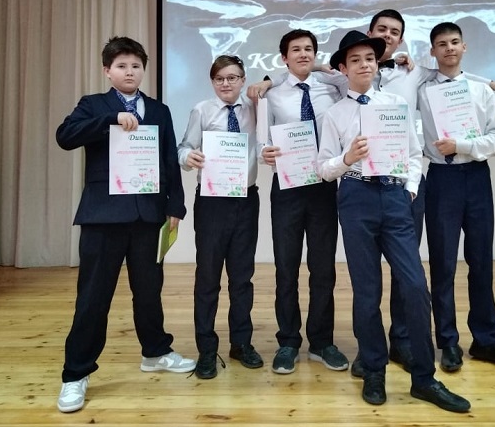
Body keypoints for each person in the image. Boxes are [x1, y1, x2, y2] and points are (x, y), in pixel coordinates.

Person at [249, 9, 495, 377]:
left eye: (393, 33)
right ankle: (349, 351)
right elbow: (309, 80)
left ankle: (405, 345)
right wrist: (267, 82)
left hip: (398, 190)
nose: (384, 40)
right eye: (380, 31)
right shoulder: (332, 90)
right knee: (350, 279)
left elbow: (453, 72)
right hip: (334, 188)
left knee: (410, 278)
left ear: (399, 41)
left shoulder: (413, 76)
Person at [317, 30, 470, 412]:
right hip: (356, 198)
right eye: (355, 60)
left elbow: (414, 153)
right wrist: (347, 158)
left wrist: (411, 189)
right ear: (343, 68)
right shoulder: (335, 114)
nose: (364, 65)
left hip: (395, 197)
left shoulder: (395, 104)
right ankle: (374, 370)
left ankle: (424, 378)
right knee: (367, 292)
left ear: (377, 63)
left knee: (415, 286)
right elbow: (322, 168)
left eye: (369, 58)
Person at [55, 36, 194, 413]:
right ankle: (75, 373)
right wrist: (109, 120)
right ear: (107, 71)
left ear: (143, 69)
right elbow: (65, 137)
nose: (129, 72)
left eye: (135, 66)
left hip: (149, 215)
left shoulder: (159, 110)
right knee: (93, 297)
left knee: (149, 292)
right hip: (103, 217)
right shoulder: (93, 105)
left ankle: (155, 352)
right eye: (121, 66)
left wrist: (176, 206)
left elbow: (169, 161)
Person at [417, 22, 495, 373]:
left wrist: (462, 145)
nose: (449, 48)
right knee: (443, 264)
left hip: (476, 177)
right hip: (441, 179)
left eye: (454, 42)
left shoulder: (480, 90)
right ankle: (447, 341)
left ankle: (486, 340)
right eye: (441, 44)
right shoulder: (422, 89)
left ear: (464, 47)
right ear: (432, 51)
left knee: (481, 262)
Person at [259, 29, 349, 374]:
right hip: (287, 187)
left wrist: (325, 68)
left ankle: (322, 341)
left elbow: (354, 79)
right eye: (295, 50)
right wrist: (264, 152)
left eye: (308, 49)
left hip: (324, 184)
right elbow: (261, 139)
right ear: (284, 57)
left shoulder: (332, 88)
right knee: (286, 267)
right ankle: (288, 341)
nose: (303, 54)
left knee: (323, 268)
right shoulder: (272, 94)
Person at [177, 55, 263, 379]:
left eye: (232, 77)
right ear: (212, 82)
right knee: (208, 277)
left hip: (246, 199)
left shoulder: (255, 108)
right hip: (212, 202)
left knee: (242, 277)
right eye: (219, 79)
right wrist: (190, 157)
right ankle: (206, 349)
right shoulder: (202, 110)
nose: (226, 83)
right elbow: (183, 148)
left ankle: (241, 343)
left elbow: (281, 83)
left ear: (243, 80)